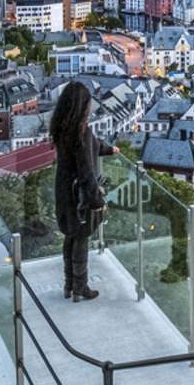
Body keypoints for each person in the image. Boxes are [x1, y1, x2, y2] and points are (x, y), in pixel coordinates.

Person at [50, 81, 114, 300]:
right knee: (81, 238)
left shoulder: (62, 129)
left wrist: (109, 149)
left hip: (63, 190)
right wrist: (96, 199)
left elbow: (91, 148)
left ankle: (69, 285)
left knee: (70, 236)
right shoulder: (82, 132)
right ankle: (80, 287)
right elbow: (86, 169)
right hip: (79, 195)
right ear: (82, 107)